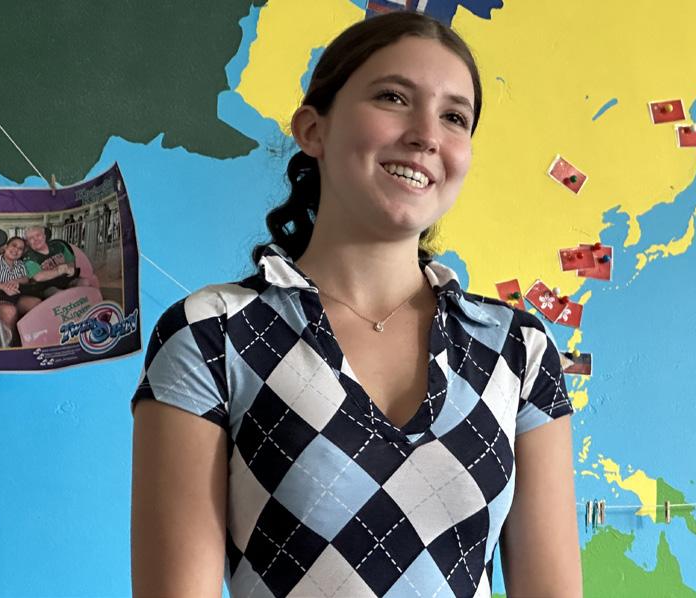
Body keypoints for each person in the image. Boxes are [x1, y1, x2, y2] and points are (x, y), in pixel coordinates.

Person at [131, 11, 582, 598]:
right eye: (393, 98)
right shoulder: (211, 335)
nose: (427, 134)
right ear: (312, 130)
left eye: (454, 117)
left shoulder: (517, 350)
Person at [0, 236, 42, 345]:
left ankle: (32, 340)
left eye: (20, 248)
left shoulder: (20, 264)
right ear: (6, 247)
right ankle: (10, 345)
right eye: (14, 245)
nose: (16, 250)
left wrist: (16, 280)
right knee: (10, 311)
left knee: (37, 303)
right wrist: (4, 286)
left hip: (17, 295)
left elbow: (25, 279)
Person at [22, 225, 79, 297]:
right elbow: (38, 277)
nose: (36, 239)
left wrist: (70, 268)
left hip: (67, 279)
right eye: (31, 238)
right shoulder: (28, 258)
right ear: (28, 242)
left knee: (84, 282)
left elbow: (71, 262)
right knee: (60, 294)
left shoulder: (59, 245)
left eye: (38, 235)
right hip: (47, 286)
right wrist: (59, 271)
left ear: (44, 236)